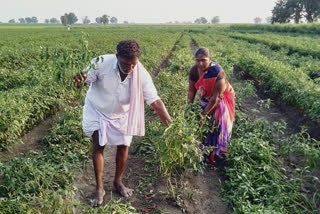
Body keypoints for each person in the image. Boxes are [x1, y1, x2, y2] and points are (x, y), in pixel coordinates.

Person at [74, 39, 172, 206]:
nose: (130, 68)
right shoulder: (101, 63)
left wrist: (171, 125)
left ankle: (118, 182)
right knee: (98, 145)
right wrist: (77, 81)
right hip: (97, 109)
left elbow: (155, 101)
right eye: (126, 63)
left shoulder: (141, 73)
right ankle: (99, 187)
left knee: (124, 145)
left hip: (122, 113)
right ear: (117, 56)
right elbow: (82, 81)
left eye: (133, 64)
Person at [187, 47, 235, 166]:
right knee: (203, 127)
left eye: (203, 60)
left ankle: (216, 156)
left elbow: (215, 98)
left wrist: (203, 114)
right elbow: (191, 91)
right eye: (197, 60)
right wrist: (188, 107)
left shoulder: (217, 72)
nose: (200, 63)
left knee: (218, 127)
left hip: (220, 101)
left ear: (210, 59)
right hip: (206, 99)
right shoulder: (193, 71)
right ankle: (203, 152)